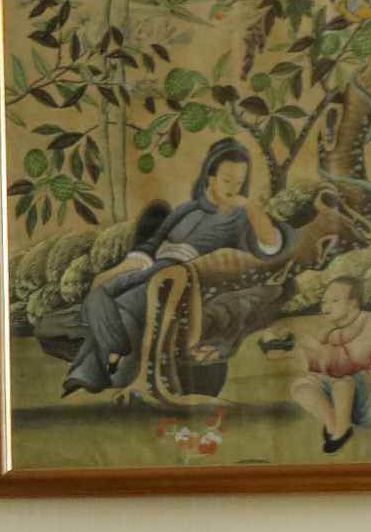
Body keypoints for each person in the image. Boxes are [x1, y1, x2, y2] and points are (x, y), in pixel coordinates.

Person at [62, 141, 278, 397]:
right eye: (227, 181)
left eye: (239, 183)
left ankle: (90, 373)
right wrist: (124, 266)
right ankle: (114, 346)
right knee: (99, 292)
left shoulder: (239, 218)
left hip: (179, 276)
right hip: (149, 266)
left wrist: (249, 206)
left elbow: (270, 244)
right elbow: (152, 244)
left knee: (127, 306)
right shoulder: (185, 210)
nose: (233, 189)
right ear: (211, 177)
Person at [294, 262, 371, 457]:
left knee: (343, 384)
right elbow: (317, 366)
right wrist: (292, 350)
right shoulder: (329, 328)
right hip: (340, 394)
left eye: (335, 300)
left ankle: (341, 431)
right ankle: (333, 425)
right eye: (324, 301)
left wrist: (319, 348)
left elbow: (355, 362)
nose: (326, 306)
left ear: (353, 303)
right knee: (301, 387)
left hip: (370, 393)